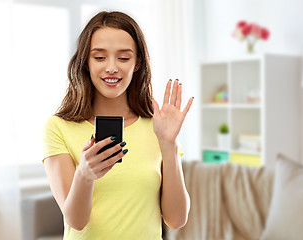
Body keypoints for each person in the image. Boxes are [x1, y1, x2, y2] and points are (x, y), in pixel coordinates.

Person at [42, 11, 193, 240]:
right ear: (85, 63)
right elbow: (76, 221)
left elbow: (177, 219)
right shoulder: (58, 127)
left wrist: (169, 145)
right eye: (100, 57)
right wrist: (85, 174)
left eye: (123, 58)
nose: (111, 68)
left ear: (137, 63)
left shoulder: (158, 127)